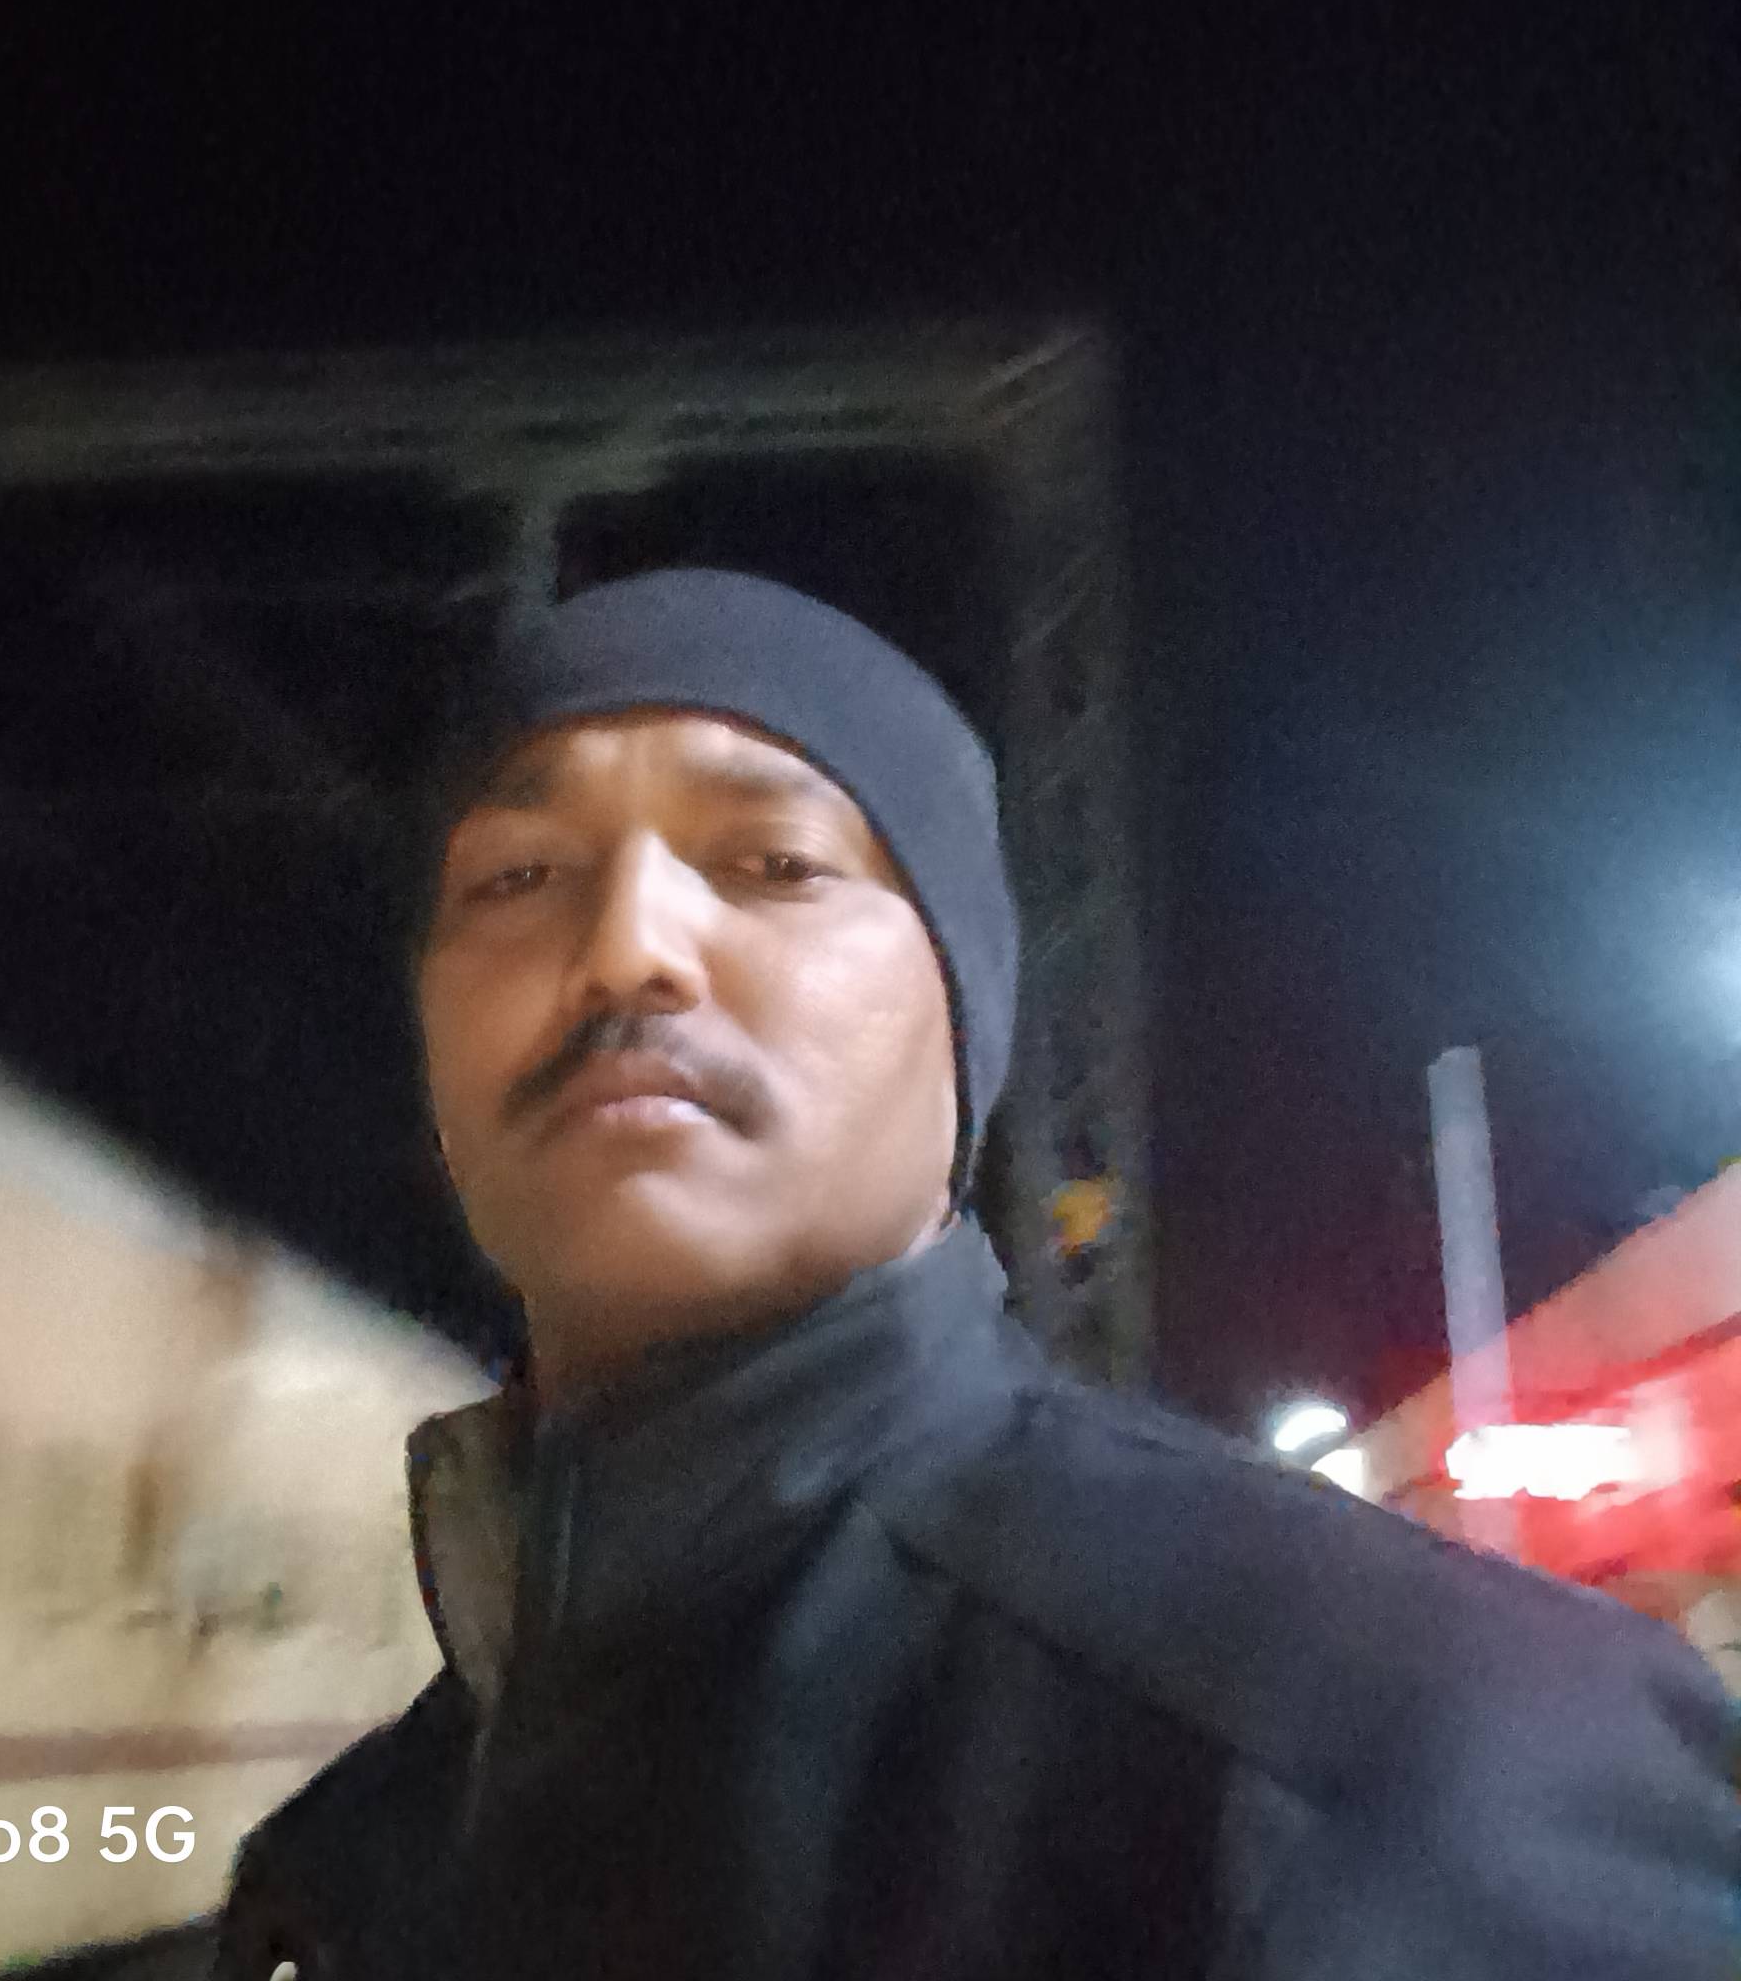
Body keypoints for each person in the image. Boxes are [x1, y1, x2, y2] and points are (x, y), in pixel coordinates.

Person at [213, 567, 1738, 1981]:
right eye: (517, 878)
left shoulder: (1397, 1767)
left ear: (963, 1027)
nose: (626, 948)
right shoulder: (361, 1859)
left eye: (774, 864)